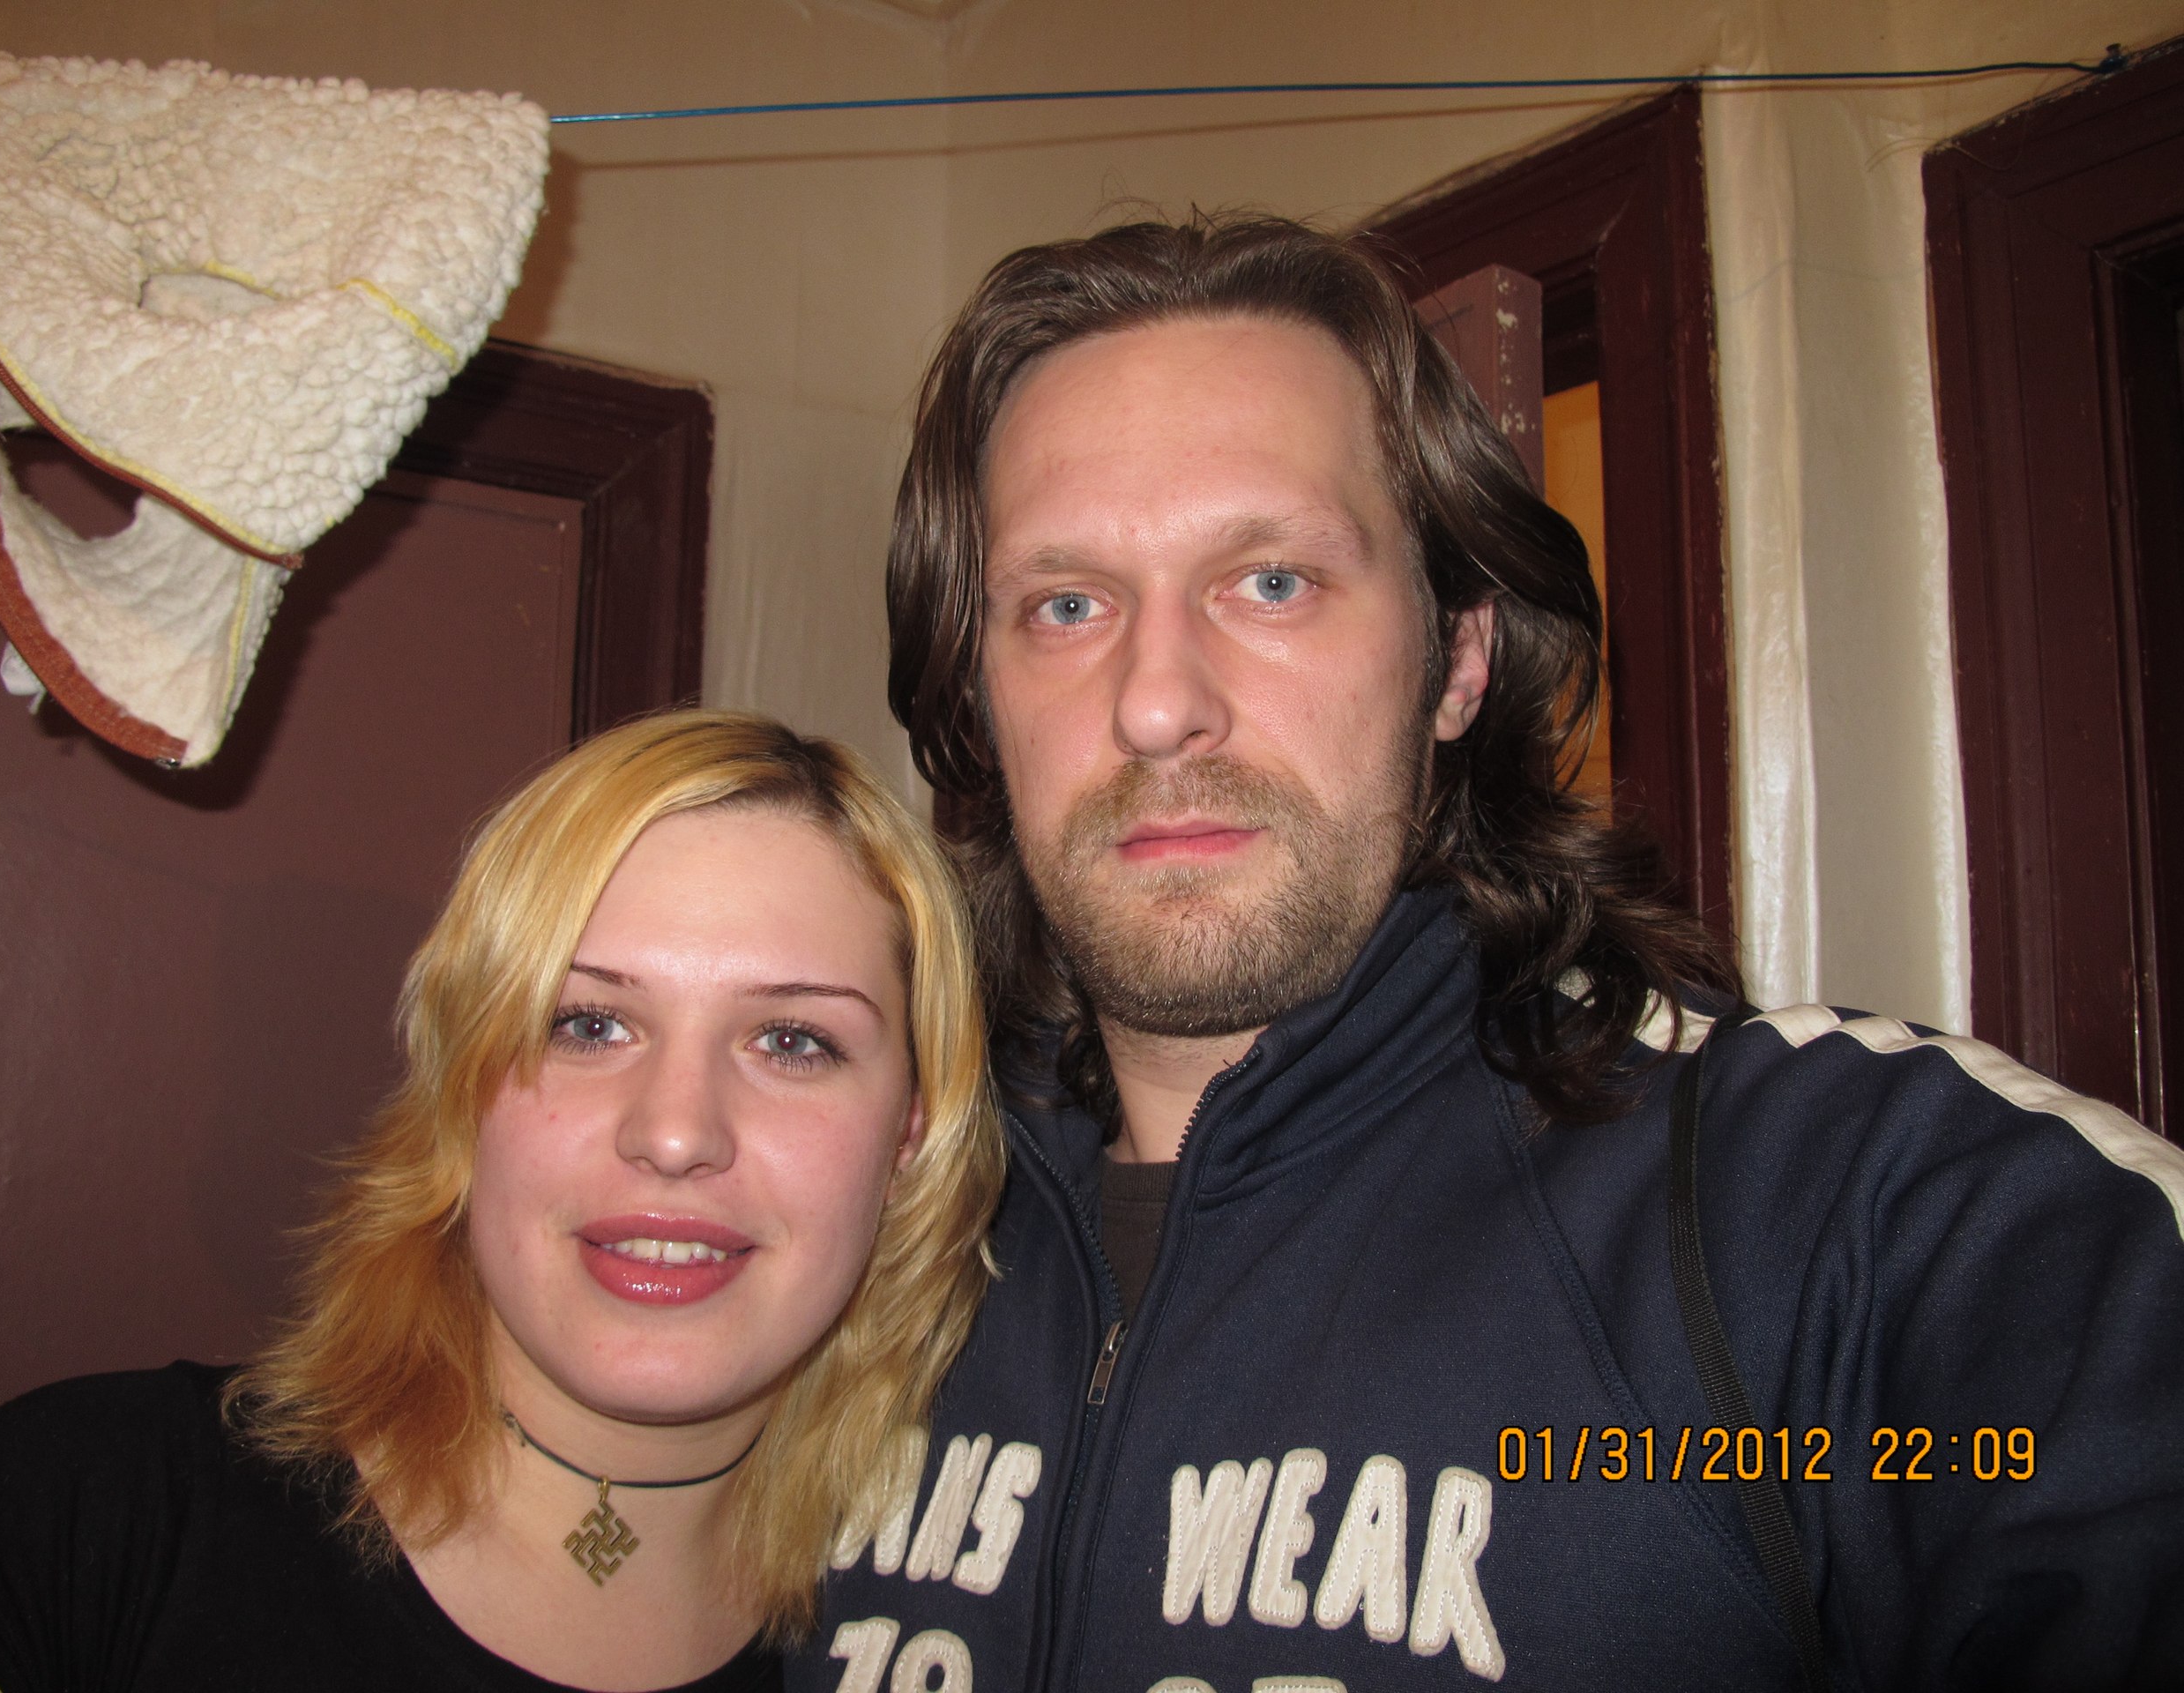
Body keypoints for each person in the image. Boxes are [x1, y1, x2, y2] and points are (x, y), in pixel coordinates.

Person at [802, 214, 2184, 1691]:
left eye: (1271, 581)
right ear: (980, 693)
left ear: (1457, 661)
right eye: (1066, 605)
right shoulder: (844, 1217)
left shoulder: (1831, 1206)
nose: (1155, 704)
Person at [0, 710, 1004, 1692]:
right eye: (585, 1024)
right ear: (462, 1087)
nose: (675, 1133)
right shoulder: (84, 1520)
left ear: (907, 1135)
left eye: (792, 1041)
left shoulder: (951, 1634)